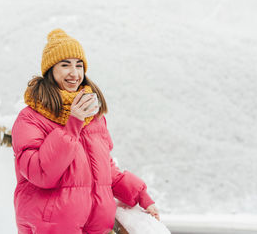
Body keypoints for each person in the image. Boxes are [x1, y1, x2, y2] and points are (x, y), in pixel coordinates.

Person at [11, 29, 159, 234]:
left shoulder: (94, 117)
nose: (74, 73)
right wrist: (72, 125)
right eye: (65, 65)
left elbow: (103, 168)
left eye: (79, 65)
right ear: (50, 70)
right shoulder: (30, 118)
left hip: (95, 228)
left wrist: (140, 195)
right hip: (51, 227)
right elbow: (40, 173)